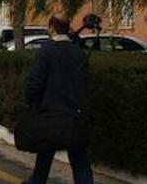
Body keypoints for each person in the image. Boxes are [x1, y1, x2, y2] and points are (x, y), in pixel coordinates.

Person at [22, 16, 94, 184]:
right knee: (80, 159)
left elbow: (35, 82)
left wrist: (30, 101)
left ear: (52, 28)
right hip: (75, 115)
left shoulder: (46, 51)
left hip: (51, 115)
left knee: (45, 156)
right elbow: (84, 81)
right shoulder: (78, 52)